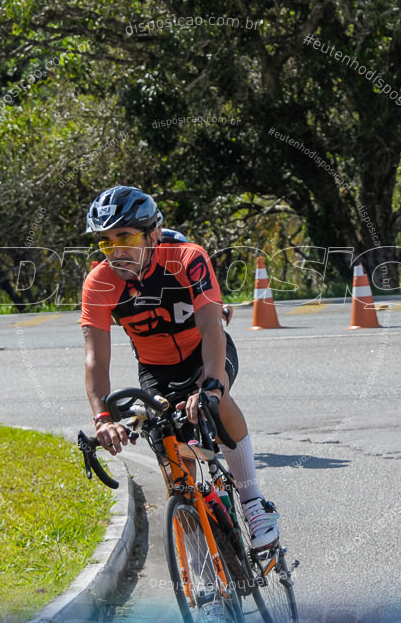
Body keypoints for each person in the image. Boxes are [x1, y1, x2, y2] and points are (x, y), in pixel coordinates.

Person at [79, 186, 277, 548]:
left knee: (217, 404)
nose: (116, 250)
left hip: (204, 352)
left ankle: (253, 503)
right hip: (156, 369)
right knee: (173, 461)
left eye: (126, 236)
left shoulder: (187, 257)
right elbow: (96, 359)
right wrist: (103, 419)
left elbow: (212, 328)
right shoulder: (99, 282)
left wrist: (212, 386)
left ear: (153, 233)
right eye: (106, 242)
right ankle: (203, 573)